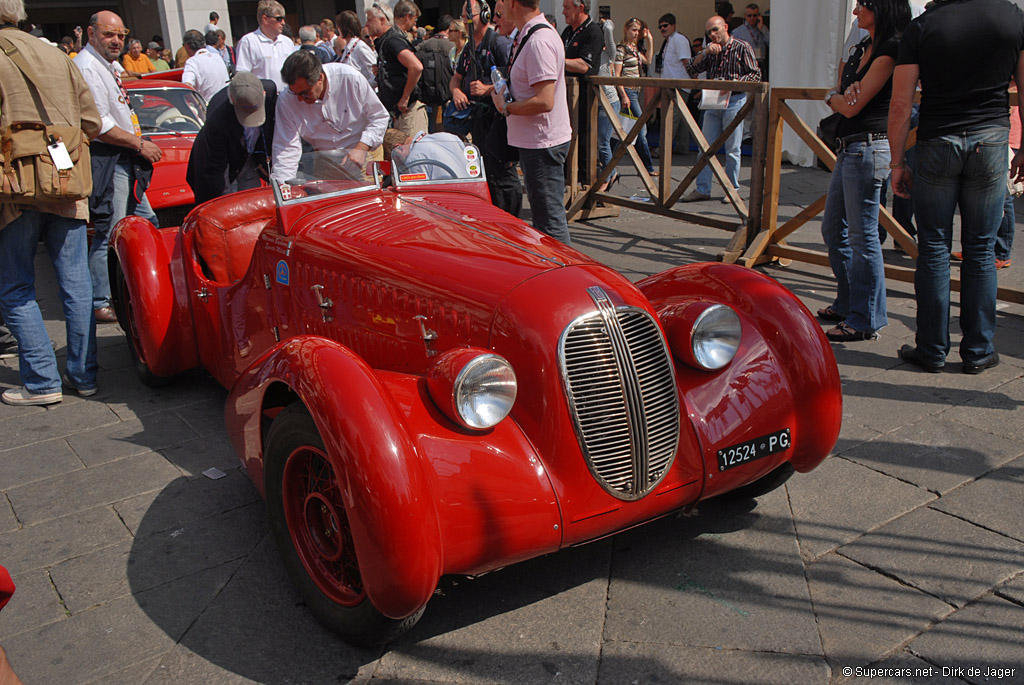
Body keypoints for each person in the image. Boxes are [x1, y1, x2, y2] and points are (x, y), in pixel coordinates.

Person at [890, 0, 1024, 374]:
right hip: (991, 140)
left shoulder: (923, 26)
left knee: (933, 248)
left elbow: (901, 104)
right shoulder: (1011, 17)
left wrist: (897, 162)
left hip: (937, 141)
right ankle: (979, 350)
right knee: (981, 249)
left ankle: (931, 349)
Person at [0, 0, 102, 405]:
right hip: (66, 179)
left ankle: (42, 381)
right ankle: (84, 376)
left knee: (16, 285)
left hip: (16, 187)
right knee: (76, 282)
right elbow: (91, 121)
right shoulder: (58, 54)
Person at [817, 0, 911, 343]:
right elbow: (847, 93)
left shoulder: (892, 47)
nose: (855, 12)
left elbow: (851, 104)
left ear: (881, 8)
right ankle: (849, 302)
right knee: (832, 230)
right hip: (851, 147)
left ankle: (866, 317)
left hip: (869, 146)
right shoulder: (863, 46)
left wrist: (835, 97)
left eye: (862, 6)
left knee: (862, 237)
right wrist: (842, 95)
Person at [75, 10, 162, 325]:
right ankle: (100, 300)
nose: (116, 41)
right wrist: (140, 145)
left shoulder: (108, 65)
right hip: (110, 158)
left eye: (121, 35)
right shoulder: (86, 66)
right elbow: (98, 124)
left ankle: (147, 289)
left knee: (147, 224)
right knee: (109, 231)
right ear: (91, 33)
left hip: (126, 158)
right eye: (109, 34)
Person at [492, 0, 571, 244]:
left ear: (513, 3)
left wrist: (506, 107)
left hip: (542, 143)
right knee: (546, 221)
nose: (498, 11)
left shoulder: (538, 40)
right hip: (536, 141)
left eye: (500, 5)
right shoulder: (530, 35)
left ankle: (565, 280)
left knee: (550, 225)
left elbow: (544, 101)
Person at [272, 50, 388, 182]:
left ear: (320, 78)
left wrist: (362, 148)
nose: (299, 99)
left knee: (368, 200)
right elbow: (286, 148)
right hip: (325, 161)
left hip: (363, 152)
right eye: (294, 93)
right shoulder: (286, 100)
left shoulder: (350, 78)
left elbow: (379, 117)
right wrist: (283, 187)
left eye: (305, 93)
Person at [450, 0, 521, 215]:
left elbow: (514, 80)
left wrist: (487, 88)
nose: (465, 20)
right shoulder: (469, 49)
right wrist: (456, 91)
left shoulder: (498, 43)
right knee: (485, 170)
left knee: (503, 174)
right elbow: (456, 78)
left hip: (499, 120)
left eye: (468, 15)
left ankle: (512, 220)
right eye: (463, 16)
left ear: (485, 16)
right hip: (478, 120)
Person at [680, 15, 761, 203]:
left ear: (725, 27)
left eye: (715, 29)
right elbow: (691, 69)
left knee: (732, 148)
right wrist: (705, 52)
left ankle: (731, 189)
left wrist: (734, 83)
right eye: (709, 32)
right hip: (713, 101)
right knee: (705, 147)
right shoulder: (711, 50)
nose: (713, 34)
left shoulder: (742, 46)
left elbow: (755, 75)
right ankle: (703, 188)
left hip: (734, 100)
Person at [186, 71, 276, 203]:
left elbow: (271, 127)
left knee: (253, 202)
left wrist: (264, 155)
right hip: (224, 162)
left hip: (250, 159)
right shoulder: (216, 119)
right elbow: (217, 172)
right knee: (231, 203)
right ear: (232, 101)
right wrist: (226, 205)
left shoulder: (270, 91)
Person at [366, 1, 427, 137]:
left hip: (408, 112)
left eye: (370, 20)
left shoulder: (392, 41)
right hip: (399, 113)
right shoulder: (385, 42)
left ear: (382, 20)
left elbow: (416, 66)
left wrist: (405, 98)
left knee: (414, 154)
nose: (366, 25)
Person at [560, 0, 602, 182]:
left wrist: (555, 60)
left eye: (567, 7)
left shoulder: (593, 31)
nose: (563, 12)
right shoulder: (568, 32)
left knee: (584, 147)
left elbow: (584, 65)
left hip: (584, 101)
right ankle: (570, 185)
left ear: (580, 7)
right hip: (566, 100)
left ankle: (590, 187)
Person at [617, 17, 656, 176]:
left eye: (638, 31)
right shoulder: (622, 49)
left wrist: (650, 41)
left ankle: (644, 167)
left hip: (636, 91)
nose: (636, 33)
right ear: (626, 29)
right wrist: (624, 95)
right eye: (633, 30)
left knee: (630, 129)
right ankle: (648, 167)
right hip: (628, 92)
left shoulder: (634, 48)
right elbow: (617, 75)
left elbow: (648, 60)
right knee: (640, 129)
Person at [235, 0, 297, 92]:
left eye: (284, 19)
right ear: (265, 19)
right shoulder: (248, 42)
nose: (283, 22)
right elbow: (243, 76)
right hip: (264, 99)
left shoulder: (287, 42)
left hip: (287, 96)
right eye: (279, 19)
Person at [656, 14, 692, 155]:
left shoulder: (679, 39)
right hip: (673, 84)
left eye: (665, 25)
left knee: (672, 118)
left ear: (673, 26)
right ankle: (682, 147)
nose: (662, 29)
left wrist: (693, 80)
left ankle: (663, 149)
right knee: (681, 119)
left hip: (678, 84)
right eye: (660, 27)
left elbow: (686, 62)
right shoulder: (670, 41)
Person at [182, 30, 230, 101]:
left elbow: (186, 87)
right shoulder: (217, 57)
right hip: (226, 102)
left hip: (210, 107)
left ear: (187, 46)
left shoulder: (192, 62)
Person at [334, 10, 376, 87]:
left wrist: (361, 87)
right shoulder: (348, 48)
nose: (337, 29)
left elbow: (375, 75)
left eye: (338, 26)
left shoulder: (360, 47)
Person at [731, 3, 768, 75]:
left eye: (755, 15)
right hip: (746, 66)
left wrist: (762, 30)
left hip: (761, 64)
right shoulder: (737, 32)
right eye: (749, 15)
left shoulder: (763, 29)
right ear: (745, 16)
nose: (752, 18)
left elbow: (771, 43)